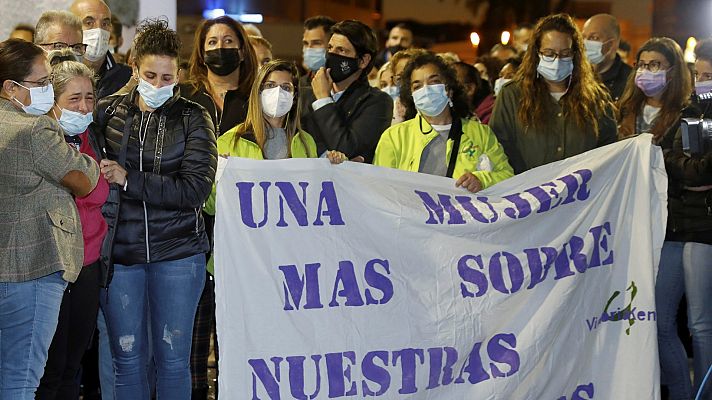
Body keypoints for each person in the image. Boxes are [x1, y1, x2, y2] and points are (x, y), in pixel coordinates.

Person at [93, 19, 217, 400]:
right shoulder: (106, 113)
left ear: (178, 73)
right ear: (134, 67)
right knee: (127, 359)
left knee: (173, 360)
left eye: (167, 77)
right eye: (150, 75)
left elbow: (195, 190)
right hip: (121, 255)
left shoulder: (195, 116)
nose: (160, 84)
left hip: (179, 254)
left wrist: (131, 180)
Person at [0, 38, 99, 399]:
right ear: (11, 87)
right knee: (21, 378)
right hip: (33, 267)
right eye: (40, 84)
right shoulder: (36, 129)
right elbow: (83, 179)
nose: (47, 92)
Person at [616, 37, 699, 399]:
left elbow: (693, 171)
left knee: (662, 322)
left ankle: (683, 393)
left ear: (673, 71)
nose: (647, 71)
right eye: (642, 64)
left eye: (656, 65)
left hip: (671, 231)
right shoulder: (623, 113)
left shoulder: (688, 114)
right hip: (629, 229)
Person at [35, 49, 110, 400]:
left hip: (88, 265)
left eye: (89, 98)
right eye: (74, 98)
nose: (83, 107)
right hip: (49, 267)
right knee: (47, 370)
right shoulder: (39, 139)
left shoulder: (91, 138)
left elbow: (98, 193)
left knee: (71, 367)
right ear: (53, 100)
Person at [204, 59, 347, 215]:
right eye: (270, 86)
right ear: (258, 92)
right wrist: (217, 178)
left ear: (294, 97)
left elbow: (314, 200)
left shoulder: (306, 142)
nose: (278, 93)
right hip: (249, 237)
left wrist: (335, 165)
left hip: (290, 235)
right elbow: (211, 208)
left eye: (286, 87)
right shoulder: (230, 141)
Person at [488, 13, 617, 174]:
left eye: (565, 54)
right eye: (549, 54)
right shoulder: (512, 95)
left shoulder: (596, 98)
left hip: (583, 195)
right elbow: (498, 151)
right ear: (536, 54)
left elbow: (610, 152)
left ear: (575, 55)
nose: (557, 60)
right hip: (527, 194)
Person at [374, 52, 513, 191]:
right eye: (417, 86)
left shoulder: (481, 134)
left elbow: (507, 175)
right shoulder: (394, 138)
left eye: (434, 82)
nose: (426, 90)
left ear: (449, 89)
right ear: (411, 95)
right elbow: (379, 188)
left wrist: (482, 180)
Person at [660, 37, 712, 400]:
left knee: (700, 325)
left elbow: (699, 173)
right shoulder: (689, 108)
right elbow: (669, 156)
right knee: (660, 321)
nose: (700, 81)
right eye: (698, 73)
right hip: (675, 225)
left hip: (704, 229)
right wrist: (682, 168)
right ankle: (682, 392)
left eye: (708, 75)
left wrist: (683, 169)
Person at [301, 19, 393, 162]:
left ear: (363, 60)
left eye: (341, 50)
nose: (332, 55)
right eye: (330, 48)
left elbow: (346, 148)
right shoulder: (306, 94)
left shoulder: (377, 102)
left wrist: (323, 101)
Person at [183, 15, 257, 137]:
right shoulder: (184, 96)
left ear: (242, 52)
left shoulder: (255, 100)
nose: (220, 47)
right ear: (202, 55)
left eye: (228, 41)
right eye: (212, 42)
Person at [70, 0, 131, 98]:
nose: (99, 30)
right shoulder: (56, 76)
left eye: (105, 24)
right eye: (89, 23)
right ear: (70, 28)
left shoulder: (127, 78)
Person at [583, 13, 633, 102]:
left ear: (611, 45)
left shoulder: (631, 81)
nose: (585, 43)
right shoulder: (575, 75)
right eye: (583, 37)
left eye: (594, 37)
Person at [300, 15, 336, 87]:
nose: (309, 48)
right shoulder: (298, 85)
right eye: (306, 43)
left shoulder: (342, 84)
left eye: (316, 43)